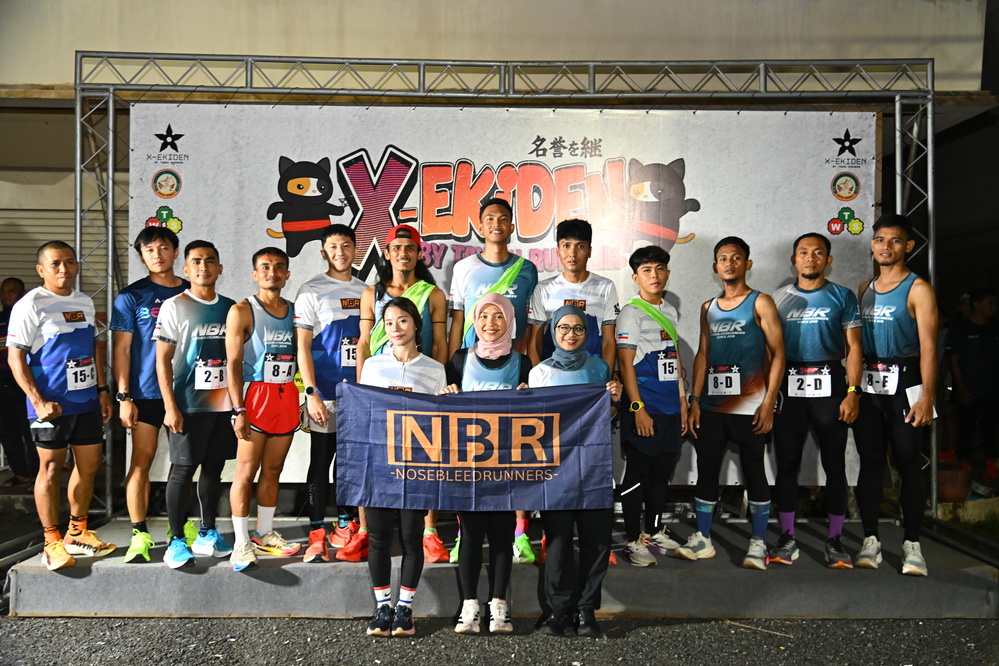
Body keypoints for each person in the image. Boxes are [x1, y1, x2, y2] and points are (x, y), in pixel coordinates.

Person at [7, 242, 116, 570]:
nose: (64, 269)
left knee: (89, 466)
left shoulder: (84, 301)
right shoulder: (30, 304)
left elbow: (92, 348)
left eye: (69, 262)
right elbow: (15, 358)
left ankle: (77, 532)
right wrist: (38, 401)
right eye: (55, 263)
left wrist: (101, 390)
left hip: (86, 402)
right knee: (51, 470)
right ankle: (51, 541)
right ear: (41, 269)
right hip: (49, 405)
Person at [680, 236, 785, 570]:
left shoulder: (760, 302)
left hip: (750, 406)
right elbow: (703, 354)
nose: (729, 263)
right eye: (723, 258)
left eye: (736, 257)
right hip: (712, 407)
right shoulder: (707, 308)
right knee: (707, 471)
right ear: (715, 267)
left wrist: (768, 402)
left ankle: (758, 543)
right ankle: (703, 539)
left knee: (754, 470)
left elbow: (779, 353)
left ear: (747, 264)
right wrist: (695, 400)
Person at [449, 197, 539, 563]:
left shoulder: (527, 269)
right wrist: (452, 367)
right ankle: (462, 535)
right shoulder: (464, 268)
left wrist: (529, 369)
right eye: (489, 218)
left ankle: (520, 534)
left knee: (516, 460)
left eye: (503, 218)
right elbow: (458, 320)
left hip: (511, 367)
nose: (497, 224)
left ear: (512, 226)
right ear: (480, 226)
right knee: (465, 463)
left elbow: (532, 324)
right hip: (472, 368)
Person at [357, 223, 450, 563]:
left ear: (419, 253)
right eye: (397, 248)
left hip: (419, 385)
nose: (403, 253)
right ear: (387, 252)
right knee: (373, 456)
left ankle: (429, 531)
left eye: (410, 248)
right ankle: (364, 530)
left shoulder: (433, 294)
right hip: (380, 385)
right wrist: (361, 392)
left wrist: (435, 383)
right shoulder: (372, 293)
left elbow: (439, 343)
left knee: (426, 456)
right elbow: (364, 344)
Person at [441, 293, 532, 634]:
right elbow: (442, 408)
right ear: (474, 321)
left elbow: (535, 413)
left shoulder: (522, 362)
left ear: (509, 320)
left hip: (507, 466)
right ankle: (469, 605)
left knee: (502, 535)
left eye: (498, 316)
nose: (490, 323)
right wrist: (446, 395)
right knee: (470, 534)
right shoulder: (460, 359)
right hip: (469, 466)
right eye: (483, 316)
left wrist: (529, 396)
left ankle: (499, 605)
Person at [770, 233, 862, 568]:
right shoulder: (777, 299)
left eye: (818, 252)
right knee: (787, 466)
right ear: (794, 260)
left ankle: (835, 539)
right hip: (789, 386)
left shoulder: (842, 296)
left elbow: (854, 347)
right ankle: (787, 537)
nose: (810, 258)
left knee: (835, 466)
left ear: (828, 260)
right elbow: (769, 350)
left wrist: (853, 392)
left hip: (831, 385)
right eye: (804, 252)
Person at [530, 305, 622, 638]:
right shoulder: (540, 372)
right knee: (557, 543)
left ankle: (586, 610)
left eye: (579, 328)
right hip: (555, 471)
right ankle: (558, 611)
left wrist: (615, 402)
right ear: (553, 332)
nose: (571, 334)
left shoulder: (600, 368)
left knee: (596, 541)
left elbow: (605, 418)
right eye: (564, 328)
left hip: (594, 468)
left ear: (587, 333)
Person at [854, 214, 938, 576]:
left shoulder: (918, 289)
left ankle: (912, 544)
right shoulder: (864, 288)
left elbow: (929, 347)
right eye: (880, 240)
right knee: (870, 463)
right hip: (869, 385)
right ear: (872, 245)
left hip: (906, 384)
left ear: (909, 246)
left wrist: (927, 397)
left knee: (907, 463)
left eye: (895, 240)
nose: (886, 247)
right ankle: (870, 539)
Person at [358, 297, 447, 637]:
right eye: (389, 322)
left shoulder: (435, 369)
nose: (395, 328)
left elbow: (439, 421)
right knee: (379, 537)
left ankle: (405, 609)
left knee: (411, 537)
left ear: (416, 324)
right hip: (380, 464)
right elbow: (364, 413)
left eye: (403, 321)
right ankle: (382, 608)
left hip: (416, 466)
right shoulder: (372, 366)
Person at [154, 240, 237, 569]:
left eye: (210, 261)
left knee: (214, 468)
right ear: (186, 269)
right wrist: (169, 407)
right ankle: (175, 541)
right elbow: (162, 360)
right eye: (197, 261)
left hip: (222, 404)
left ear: (220, 268)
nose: (204, 267)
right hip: (187, 404)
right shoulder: (175, 305)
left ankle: (207, 532)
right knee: (183, 470)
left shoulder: (231, 307)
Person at [110, 227, 189, 563]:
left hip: (185, 393)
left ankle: (178, 529)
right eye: (150, 250)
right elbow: (122, 349)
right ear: (141, 256)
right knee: (141, 462)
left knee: (183, 465)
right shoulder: (131, 296)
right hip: (144, 393)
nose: (157, 255)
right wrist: (123, 396)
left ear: (176, 252)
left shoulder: (192, 292)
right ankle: (139, 533)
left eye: (164, 248)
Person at [225, 247, 302, 572]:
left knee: (273, 470)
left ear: (287, 274)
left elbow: (302, 356)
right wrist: (238, 409)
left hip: (286, 396)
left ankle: (264, 532)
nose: (273, 272)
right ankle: (241, 542)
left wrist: (305, 394)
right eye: (266, 267)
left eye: (279, 267)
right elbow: (232, 363)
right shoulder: (242, 310)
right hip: (256, 396)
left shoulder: (295, 311)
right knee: (246, 471)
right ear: (255, 274)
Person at [294, 224, 367, 563]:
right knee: (321, 459)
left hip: (358, 394)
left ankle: (344, 522)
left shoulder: (367, 291)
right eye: (333, 247)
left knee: (350, 462)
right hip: (324, 392)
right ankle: (315, 530)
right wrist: (311, 392)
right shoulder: (311, 290)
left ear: (356, 249)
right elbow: (302, 347)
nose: (340, 252)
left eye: (346, 245)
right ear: (324, 252)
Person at [615, 246, 687, 566]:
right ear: (636, 278)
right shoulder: (631, 313)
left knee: (661, 473)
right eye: (646, 270)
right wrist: (637, 409)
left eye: (659, 268)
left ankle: (654, 531)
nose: (654, 275)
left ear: (667, 273)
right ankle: (632, 539)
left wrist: (683, 402)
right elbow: (625, 364)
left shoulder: (669, 310)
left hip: (670, 408)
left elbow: (674, 358)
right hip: (644, 408)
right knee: (637, 474)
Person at [526, 218, 619, 371]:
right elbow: (535, 343)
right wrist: (538, 379)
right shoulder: (544, 289)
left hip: (591, 375)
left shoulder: (606, 287)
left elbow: (608, 342)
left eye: (580, 246)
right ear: (557, 251)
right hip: (553, 376)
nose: (572, 254)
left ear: (589, 251)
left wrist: (604, 377)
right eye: (566, 246)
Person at [947, 288, 998, 476]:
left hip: (991, 389)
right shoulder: (961, 330)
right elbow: (953, 360)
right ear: (976, 304)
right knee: (965, 427)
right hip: (968, 389)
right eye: (990, 303)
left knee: (991, 427)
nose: (993, 307)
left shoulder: (993, 329)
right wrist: (961, 388)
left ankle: (991, 465)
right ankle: (963, 465)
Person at [1, 276, 38, 489]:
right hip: (2, 387)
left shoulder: (28, 318)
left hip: (24, 387)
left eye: (11, 291)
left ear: (22, 295)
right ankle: (20, 473)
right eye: (3, 291)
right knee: (8, 434)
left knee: (31, 433)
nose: (6, 295)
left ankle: (37, 476)